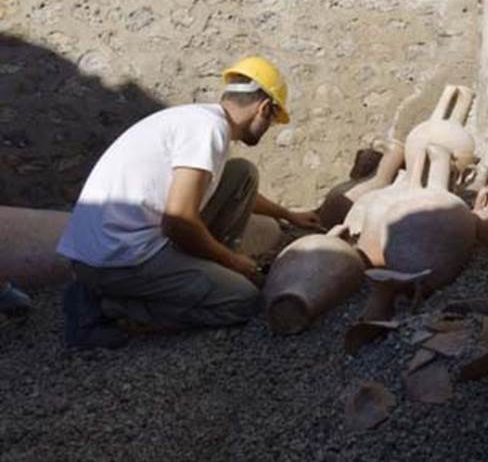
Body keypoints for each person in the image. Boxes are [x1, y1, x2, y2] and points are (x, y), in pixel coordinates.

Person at [56, 56, 322, 349]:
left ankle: (206, 273)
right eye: (273, 118)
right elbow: (178, 221)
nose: (270, 126)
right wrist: (232, 261)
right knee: (243, 301)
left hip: (106, 248)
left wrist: (288, 214)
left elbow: (211, 192)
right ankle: (107, 306)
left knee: (242, 174)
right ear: (264, 108)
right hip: (118, 260)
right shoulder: (208, 132)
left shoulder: (198, 121)